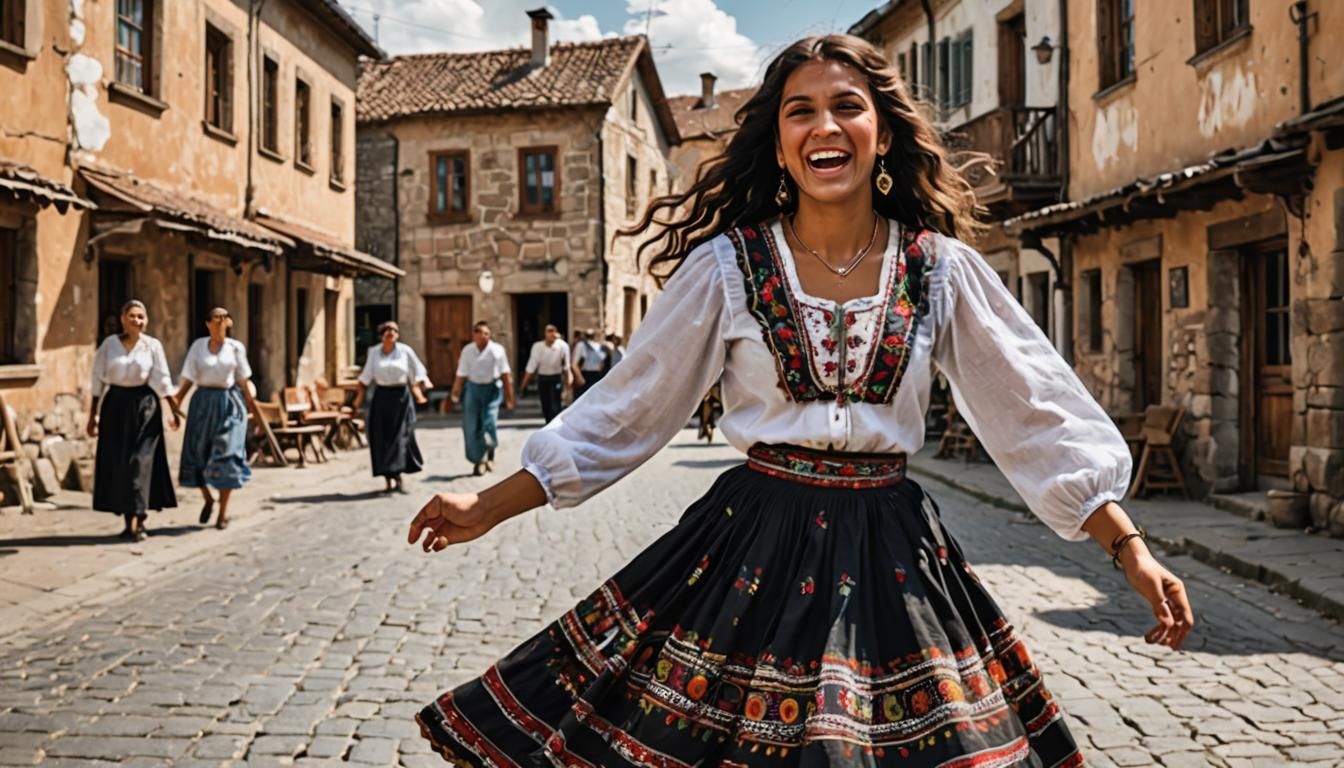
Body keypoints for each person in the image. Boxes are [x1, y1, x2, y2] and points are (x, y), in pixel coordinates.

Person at [408, 35, 1193, 767]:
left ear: (882, 133)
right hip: (751, 550)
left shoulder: (940, 271)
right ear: (781, 143)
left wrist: (1130, 549)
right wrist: (488, 502)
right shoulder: (727, 268)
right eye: (801, 110)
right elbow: (627, 409)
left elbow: (1034, 413)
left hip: (895, 560)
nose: (827, 124)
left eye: (848, 105)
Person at [86, 300, 180, 542]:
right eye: (132, 316)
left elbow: (162, 377)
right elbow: (98, 380)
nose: (137, 321)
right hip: (115, 407)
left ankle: (138, 518)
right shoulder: (109, 345)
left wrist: (172, 407)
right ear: (122, 319)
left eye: (141, 317)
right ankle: (131, 520)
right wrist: (92, 415)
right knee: (120, 465)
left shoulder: (152, 346)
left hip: (145, 407)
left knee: (140, 462)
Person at [174, 307, 261, 530]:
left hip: (228, 403)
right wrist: (177, 402)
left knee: (227, 455)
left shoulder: (235, 348)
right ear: (208, 323)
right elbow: (189, 378)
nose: (221, 321)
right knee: (198, 454)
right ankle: (208, 499)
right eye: (216, 317)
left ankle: (222, 514)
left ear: (229, 322)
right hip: (202, 403)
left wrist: (254, 410)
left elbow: (243, 381)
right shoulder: (198, 347)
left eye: (225, 317)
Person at [353, 321, 431, 493]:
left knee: (402, 436)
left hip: (401, 398)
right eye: (387, 330)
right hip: (382, 398)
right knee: (382, 438)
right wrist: (357, 400)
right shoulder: (374, 352)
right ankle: (388, 478)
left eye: (394, 330)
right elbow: (366, 376)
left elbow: (417, 371)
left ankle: (398, 476)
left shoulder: (405, 351)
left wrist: (419, 390)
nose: (391, 332)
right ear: (381, 335)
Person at [450, 322, 514, 476]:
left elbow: (505, 374)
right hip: (473, 389)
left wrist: (509, 396)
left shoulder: (497, 350)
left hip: (492, 390)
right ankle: (478, 460)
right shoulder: (467, 351)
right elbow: (461, 374)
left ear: (489, 335)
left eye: (485, 333)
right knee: (471, 426)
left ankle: (489, 454)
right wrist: (454, 395)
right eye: (478, 332)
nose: (481, 335)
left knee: (489, 422)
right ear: (473, 335)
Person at [517, 324, 571, 424]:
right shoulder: (537, 347)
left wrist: (567, 386)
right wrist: (522, 386)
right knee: (545, 405)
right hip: (543, 379)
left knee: (555, 405)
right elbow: (531, 368)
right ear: (545, 333)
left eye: (553, 331)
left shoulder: (562, 346)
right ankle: (548, 424)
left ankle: (555, 426)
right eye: (549, 331)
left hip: (556, 378)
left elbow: (566, 367)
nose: (551, 334)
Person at [571, 328, 608, 398]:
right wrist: (580, 377)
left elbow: (602, 363)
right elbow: (574, 364)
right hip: (586, 375)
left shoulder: (600, 347)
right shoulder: (581, 345)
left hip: (596, 376)